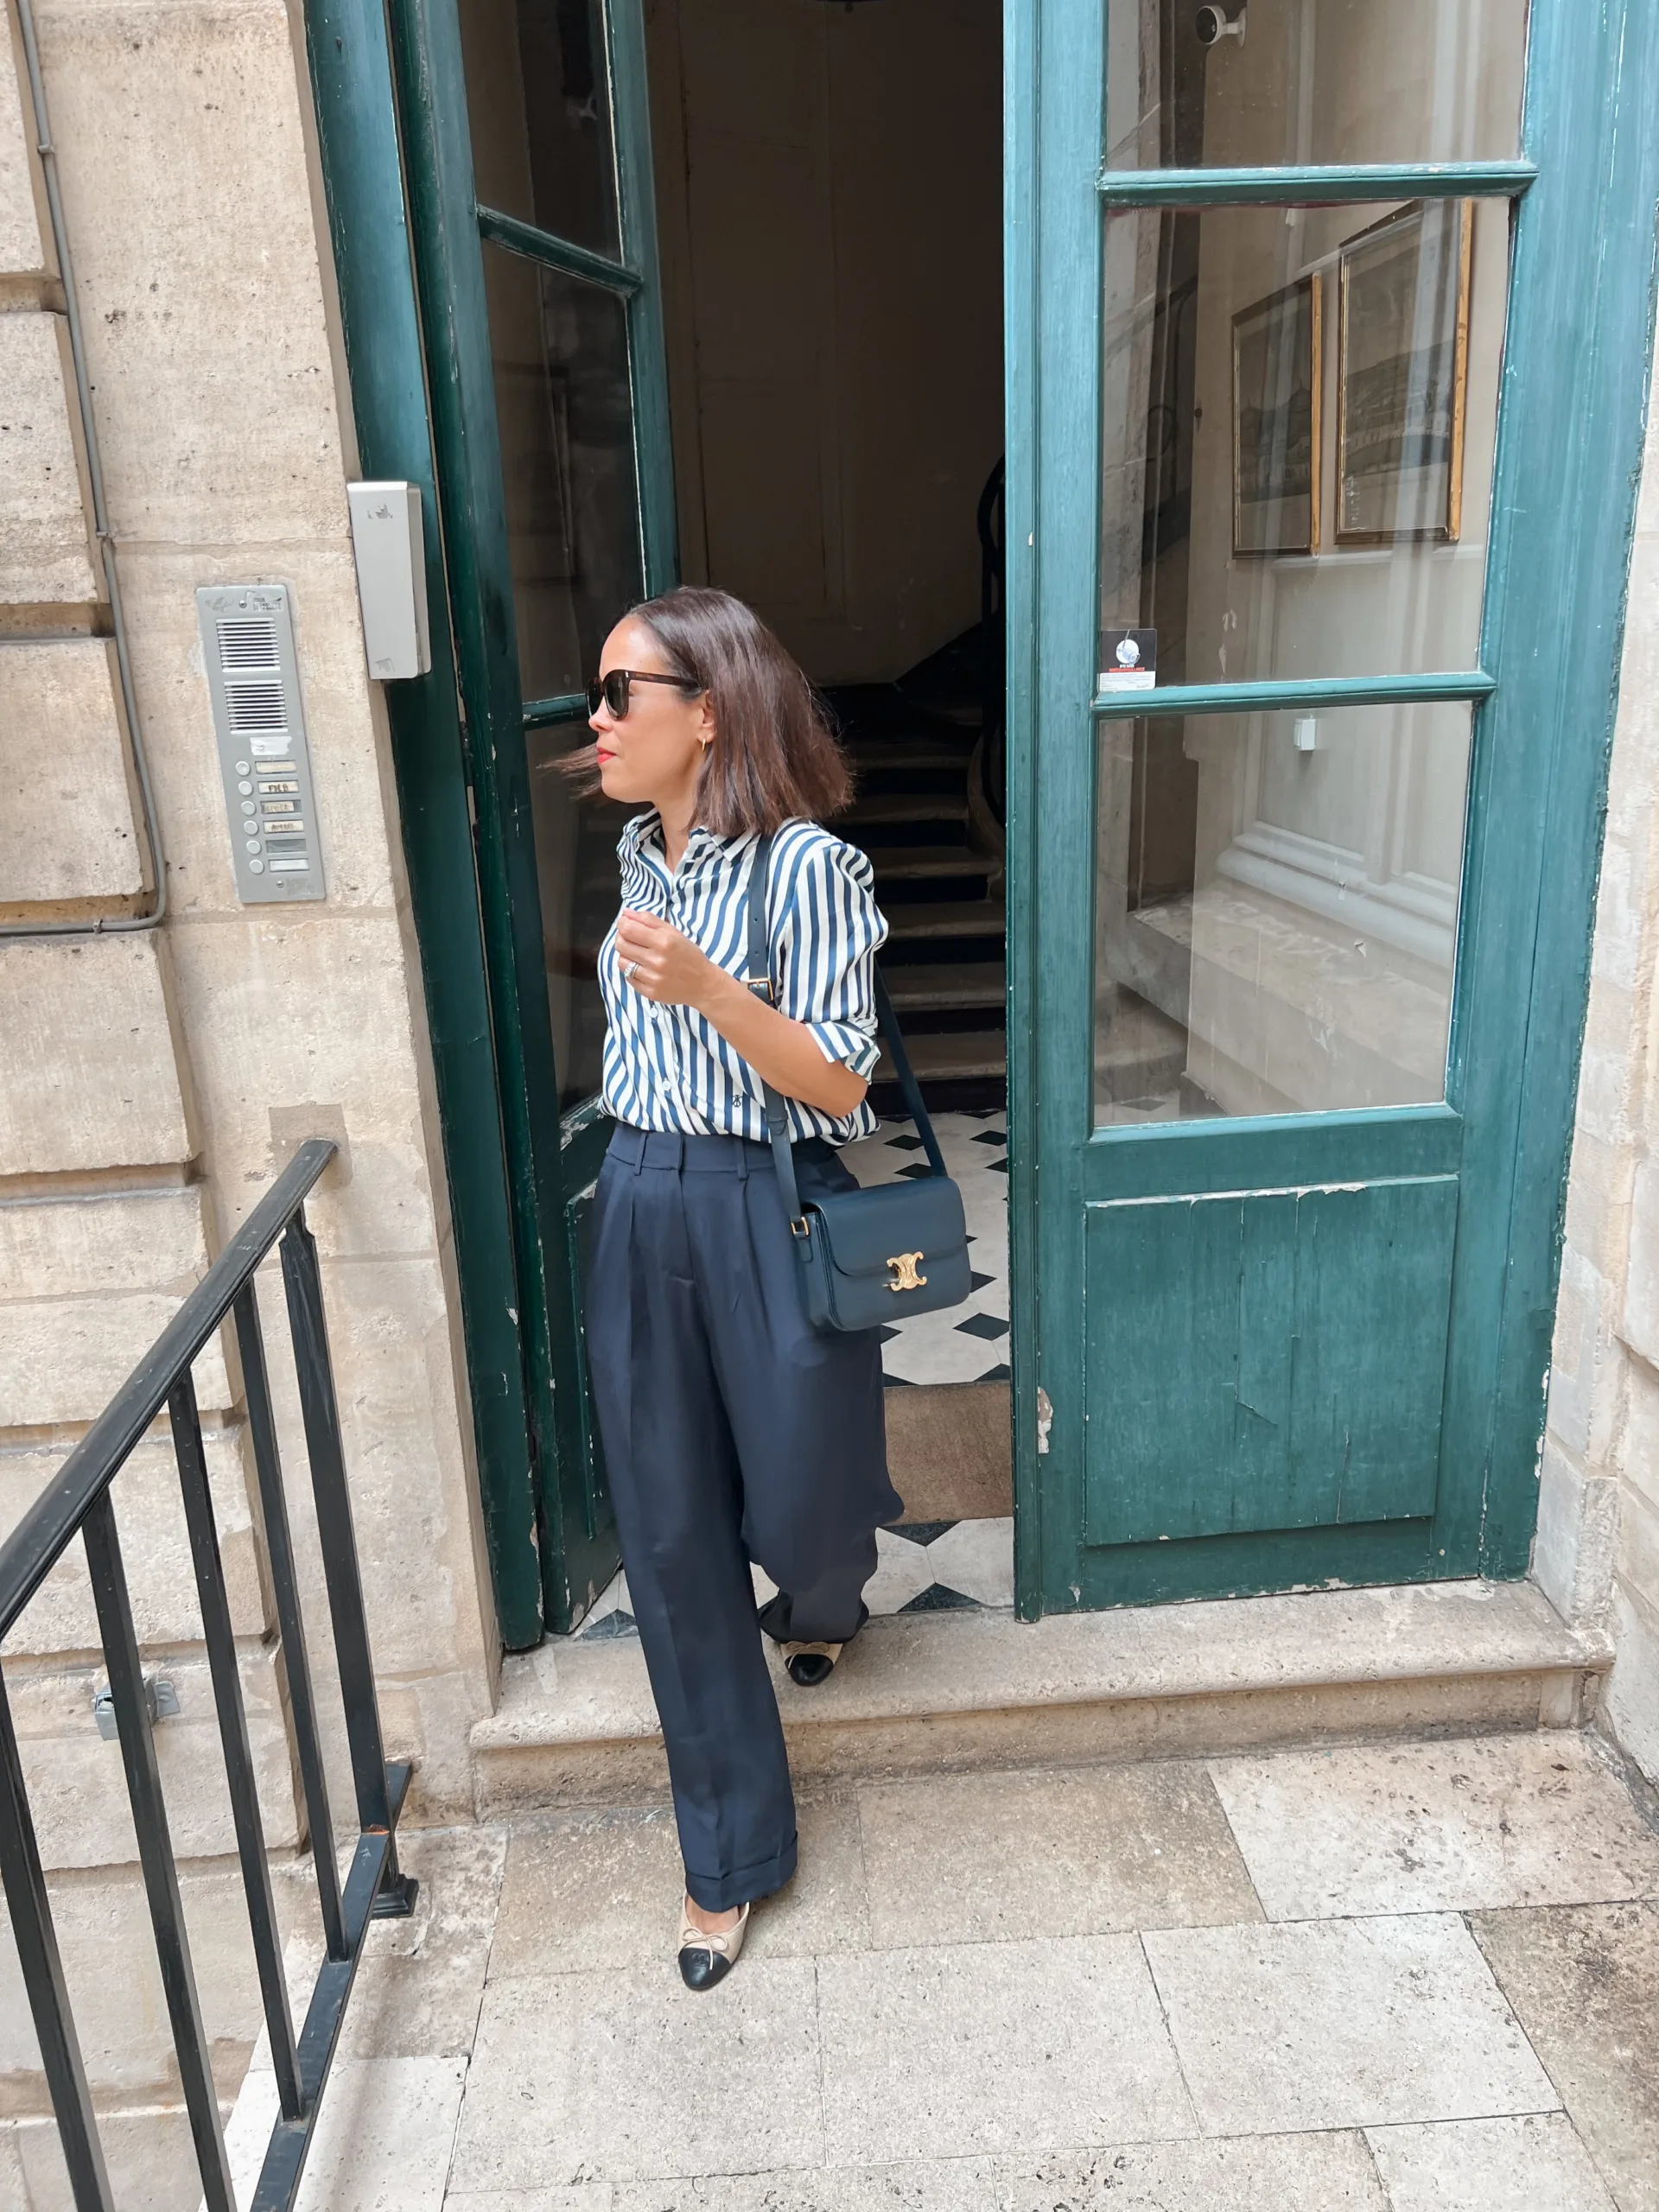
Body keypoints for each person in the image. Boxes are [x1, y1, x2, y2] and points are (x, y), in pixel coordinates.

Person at [576, 585, 902, 1991]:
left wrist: (715, 992)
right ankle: (730, 1855)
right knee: (671, 1534)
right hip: (638, 1194)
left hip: (765, 1200)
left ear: (706, 712)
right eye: (596, 694)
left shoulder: (807, 870)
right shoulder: (637, 862)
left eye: (621, 693)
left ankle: (826, 1598)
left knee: (805, 1502)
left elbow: (839, 1085)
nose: (596, 719)